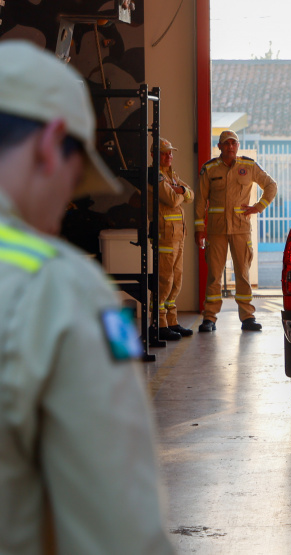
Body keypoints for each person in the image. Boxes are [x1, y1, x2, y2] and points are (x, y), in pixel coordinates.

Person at [0, 40, 175, 554]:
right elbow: (117, 523)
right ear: (53, 143)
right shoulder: (69, 294)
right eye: (75, 183)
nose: (64, 211)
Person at [195, 130, 277, 332]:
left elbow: (271, 185)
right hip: (216, 230)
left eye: (234, 143)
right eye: (226, 143)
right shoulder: (210, 169)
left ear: (237, 146)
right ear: (220, 146)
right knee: (214, 275)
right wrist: (199, 228)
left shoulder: (248, 166)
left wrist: (259, 206)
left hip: (240, 229)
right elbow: (200, 201)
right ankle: (209, 318)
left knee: (243, 273)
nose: (230, 147)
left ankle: (247, 317)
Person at [149, 137, 194, 341]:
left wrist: (182, 190)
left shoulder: (171, 175)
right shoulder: (155, 176)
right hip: (164, 235)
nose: (169, 156)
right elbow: (171, 199)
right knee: (164, 281)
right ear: (154, 155)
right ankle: (158, 323)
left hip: (178, 235)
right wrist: (180, 194)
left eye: (170, 152)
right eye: (165, 153)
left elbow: (190, 194)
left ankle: (172, 321)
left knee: (176, 280)